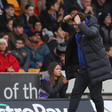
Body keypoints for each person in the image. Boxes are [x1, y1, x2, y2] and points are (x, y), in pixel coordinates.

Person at [61, 12, 112, 112]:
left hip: (93, 70)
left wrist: (79, 24)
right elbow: (66, 28)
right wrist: (64, 21)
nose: (74, 26)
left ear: (83, 22)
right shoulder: (78, 28)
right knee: (75, 93)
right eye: (74, 24)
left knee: (96, 97)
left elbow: (90, 33)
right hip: (82, 70)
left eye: (76, 24)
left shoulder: (93, 28)